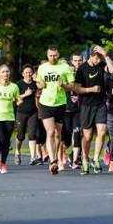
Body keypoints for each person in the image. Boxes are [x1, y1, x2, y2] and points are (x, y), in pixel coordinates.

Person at [36, 46, 76, 175]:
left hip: (60, 103)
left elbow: (72, 86)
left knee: (58, 135)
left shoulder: (64, 67)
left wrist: (63, 85)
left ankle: (57, 157)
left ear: (58, 55)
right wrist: (40, 85)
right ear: (47, 56)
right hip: (45, 103)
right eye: (50, 56)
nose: (53, 58)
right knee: (51, 132)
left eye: (55, 55)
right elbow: (38, 82)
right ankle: (53, 161)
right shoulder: (42, 68)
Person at [75, 46, 113, 173]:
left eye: (99, 58)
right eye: (96, 57)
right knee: (87, 136)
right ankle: (85, 160)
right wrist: (91, 90)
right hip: (86, 105)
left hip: (100, 104)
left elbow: (112, 70)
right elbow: (77, 89)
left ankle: (96, 158)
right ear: (90, 56)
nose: (98, 60)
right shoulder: (82, 69)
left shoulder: (102, 64)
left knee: (102, 132)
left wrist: (105, 54)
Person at [14, 64, 39, 166]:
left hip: (33, 112)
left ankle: (33, 157)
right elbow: (15, 98)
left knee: (32, 134)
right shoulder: (19, 84)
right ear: (23, 74)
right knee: (20, 135)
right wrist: (25, 94)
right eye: (26, 72)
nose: (28, 74)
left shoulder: (35, 84)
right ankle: (17, 151)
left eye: (30, 72)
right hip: (21, 112)